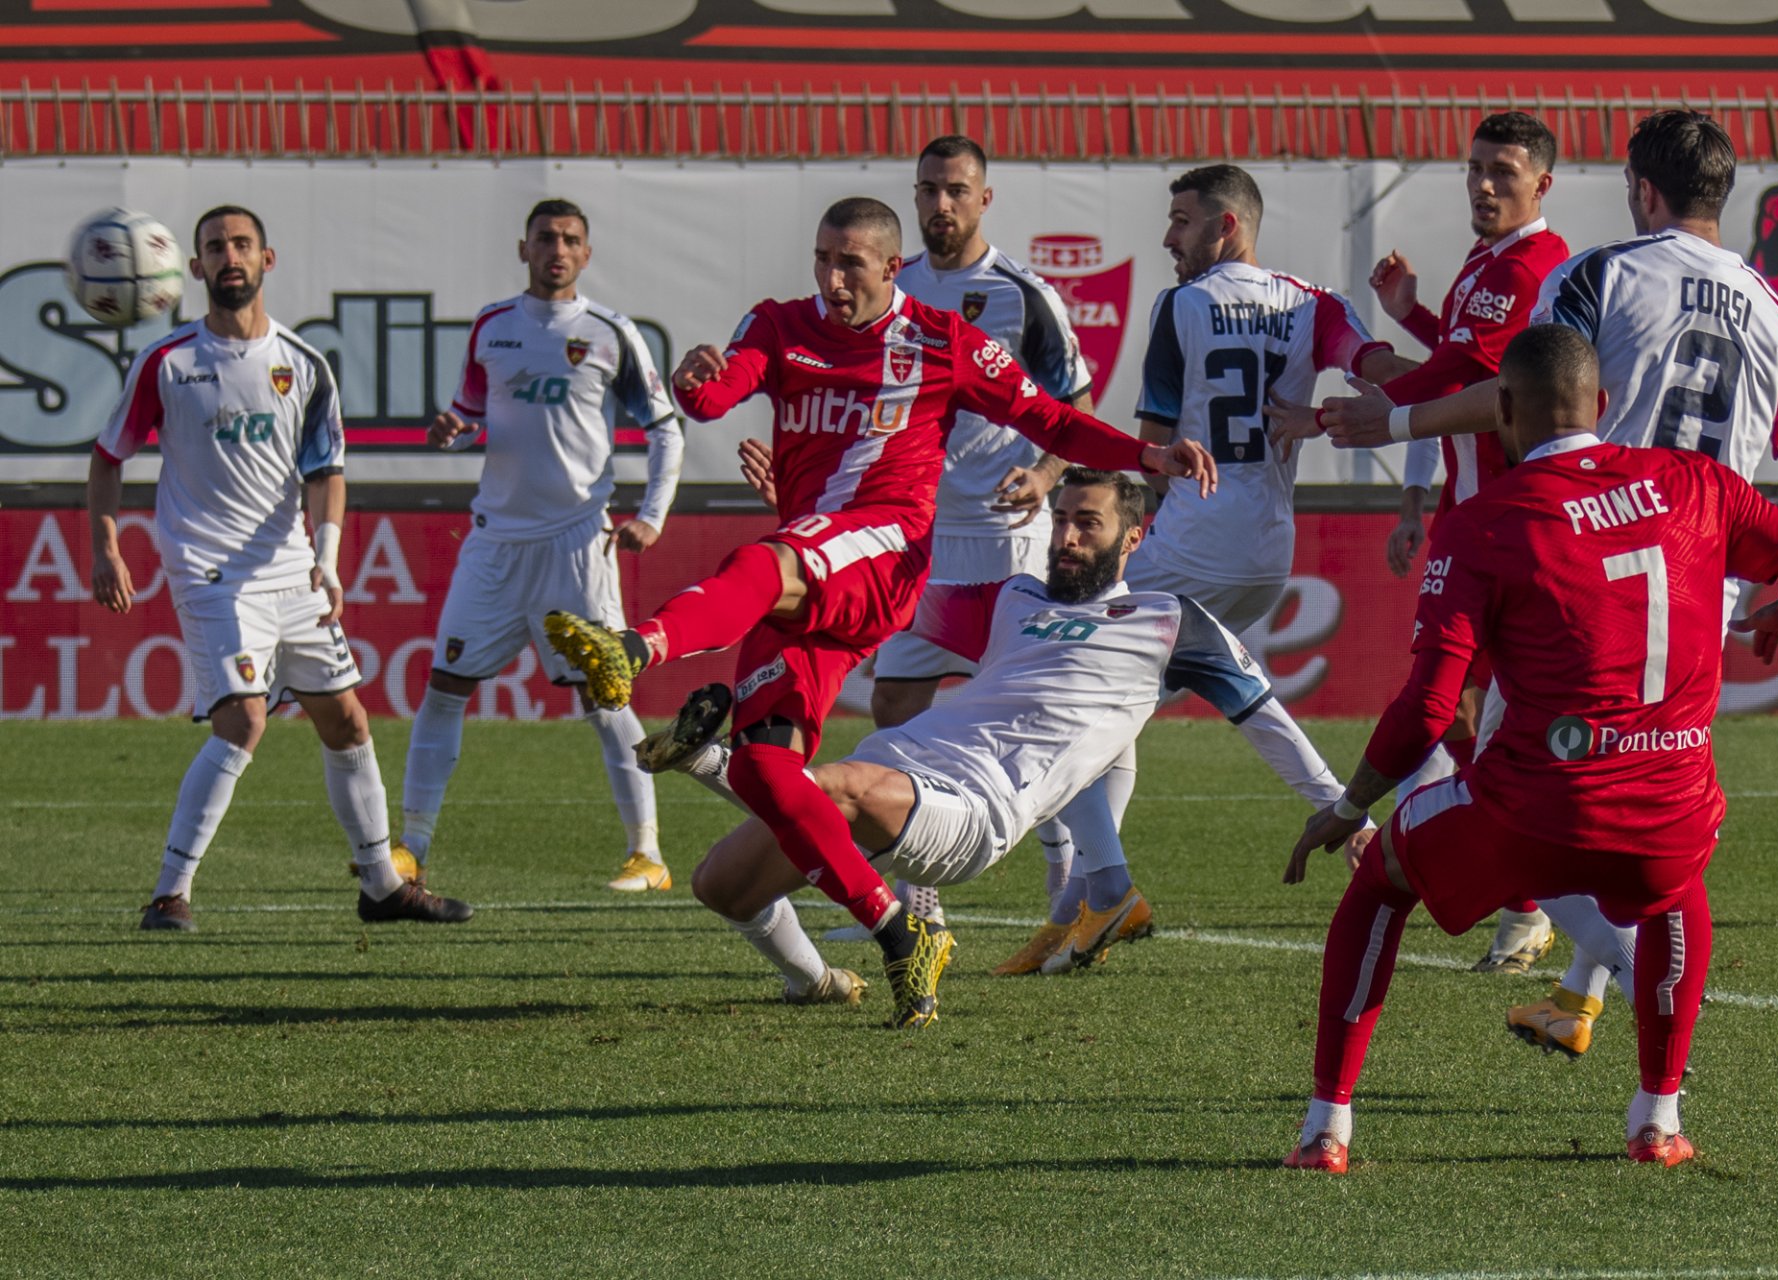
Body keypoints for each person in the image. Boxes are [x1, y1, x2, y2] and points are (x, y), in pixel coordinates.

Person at [1309, 109, 1778, 1053]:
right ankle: (1579, 1000)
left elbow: (1521, 396)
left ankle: (1632, 976)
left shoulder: (1598, 274)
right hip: (1696, 587)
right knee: (1635, 801)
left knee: (1537, 804)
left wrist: (1389, 425)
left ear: (1642, 189)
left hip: (1586, 564)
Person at [543, 197, 1215, 1029]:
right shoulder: (780, 324)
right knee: (765, 771)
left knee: (760, 563)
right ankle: (898, 932)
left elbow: (1044, 416)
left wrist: (1145, 454)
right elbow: (719, 400)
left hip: (883, 550)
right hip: (809, 572)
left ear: (891, 269)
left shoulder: (942, 340)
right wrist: (697, 376)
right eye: (823, 257)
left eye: (851, 262)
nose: (831, 278)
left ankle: (636, 647)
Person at [1279, 324, 1778, 1172]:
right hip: (1670, 811)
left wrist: (1347, 808)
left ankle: (1324, 1129)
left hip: (1532, 811)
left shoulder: (1486, 522)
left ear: (1506, 412)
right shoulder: (1697, 482)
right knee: (1676, 887)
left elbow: (1426, 706)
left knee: (1382, 882)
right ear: (1601, 405)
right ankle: (1657, 1121)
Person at [646, 469, 1366, 1022]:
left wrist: (1347, 809)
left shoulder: (1168, 618)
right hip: (897, 760)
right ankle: (813, 981)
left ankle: (722, 771)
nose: (1067, 538)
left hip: (971, 810)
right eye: (1061, 521)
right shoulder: (1014, 598)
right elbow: (881, 589)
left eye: (1088, 523)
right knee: (721, 887)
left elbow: (1266, 716)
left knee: (829, 786)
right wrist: (811, 522)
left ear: (1133, 538)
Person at [993, 162, 1414, 977]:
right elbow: (1381, 373)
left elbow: (1154, 438)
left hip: (1193, 534)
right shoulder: (1314, 303)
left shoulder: (1182, 306)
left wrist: (1119, 518)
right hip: (1266, 545)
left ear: (1227, 226)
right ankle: (1082, 904)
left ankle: (1106, 889)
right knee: (1117, 714)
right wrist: (1392, 398)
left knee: (1063, 690)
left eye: (1181, 221)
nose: (1167, 238)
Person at [87, 205, 472, 932]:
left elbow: (327, 472)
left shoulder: (304, 363)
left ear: (269, 259)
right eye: (214, 247)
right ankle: (170, 892)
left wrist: (327, 562)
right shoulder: (169, 363)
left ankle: (383, 885)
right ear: (193, 268)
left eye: (241, 244)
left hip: (292, 570)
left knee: (348, 721)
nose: (229, 256)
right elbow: (108, 457)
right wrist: (105, 547)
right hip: (209, 571)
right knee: (244, 719)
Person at [814, 134, 1094, 943]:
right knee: (898, 706)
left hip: (1008, 538)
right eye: (929, 189)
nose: (941, 204)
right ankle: (919, 903)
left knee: (1034, 713)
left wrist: (1044, 476)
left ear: (984, 199)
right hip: (917, 537)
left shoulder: (1020, 294)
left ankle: (1067, 872)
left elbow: (1070, 402)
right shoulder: (885, 290)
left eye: (956, 190)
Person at [396, 199, 684, 894]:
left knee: (605, 697)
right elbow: (469, 409)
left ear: (587, 254)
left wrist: (652, 514)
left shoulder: (611, 333)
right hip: (495, 543)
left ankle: (647, 853)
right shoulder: (493, 328)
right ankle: (410, 849)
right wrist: (453, 429)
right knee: (444, 686)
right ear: (523, 247)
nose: (558, 248)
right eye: (546, 238)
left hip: (577, 544)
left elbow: (666, 425)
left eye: (571, 240)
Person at [1366, 111, 1572, 976]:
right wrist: (1412, 315)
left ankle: (1533, 896)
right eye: (1476, 168)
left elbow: (1460, 380)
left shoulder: (1532, 266)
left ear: (1543, 186)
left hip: (1504, 519)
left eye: (1505, 171)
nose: (1485, 184)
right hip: (1472, 509)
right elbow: (1468, 361)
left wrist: (1375, 391)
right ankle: (1527, 897)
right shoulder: (1491, 265)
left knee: (1468, 708)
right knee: (1466, 709)